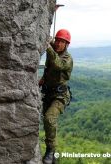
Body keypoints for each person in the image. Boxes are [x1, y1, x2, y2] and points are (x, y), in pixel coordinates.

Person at [39, 29, 73, 164]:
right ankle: (52, 154)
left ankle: (50, 151)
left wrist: (49, 46)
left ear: (66, 45)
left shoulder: (67, 58)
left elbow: (57, 64)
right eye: (58, 41)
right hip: (48, 93)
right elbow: (49, 68)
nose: (58, 43)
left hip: (60, 96)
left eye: (62, 42)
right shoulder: (53, 48)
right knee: (47, 122)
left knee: (49, 118)